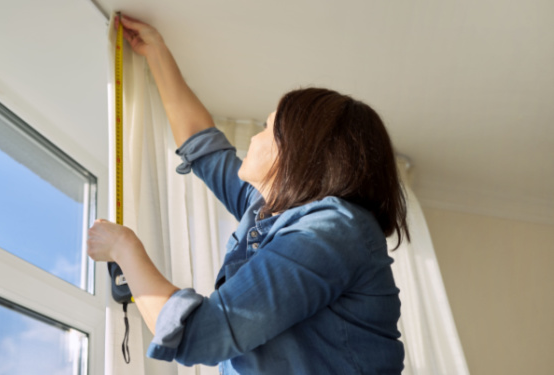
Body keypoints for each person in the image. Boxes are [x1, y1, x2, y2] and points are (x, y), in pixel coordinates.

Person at [87, 14, 409, 374]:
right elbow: (204, 147)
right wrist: (157, 53)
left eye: (266, 128)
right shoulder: (267, 211)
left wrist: (124, 248)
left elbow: (200, 334)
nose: (254, 139)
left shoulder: (331, 230)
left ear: (298, 151)